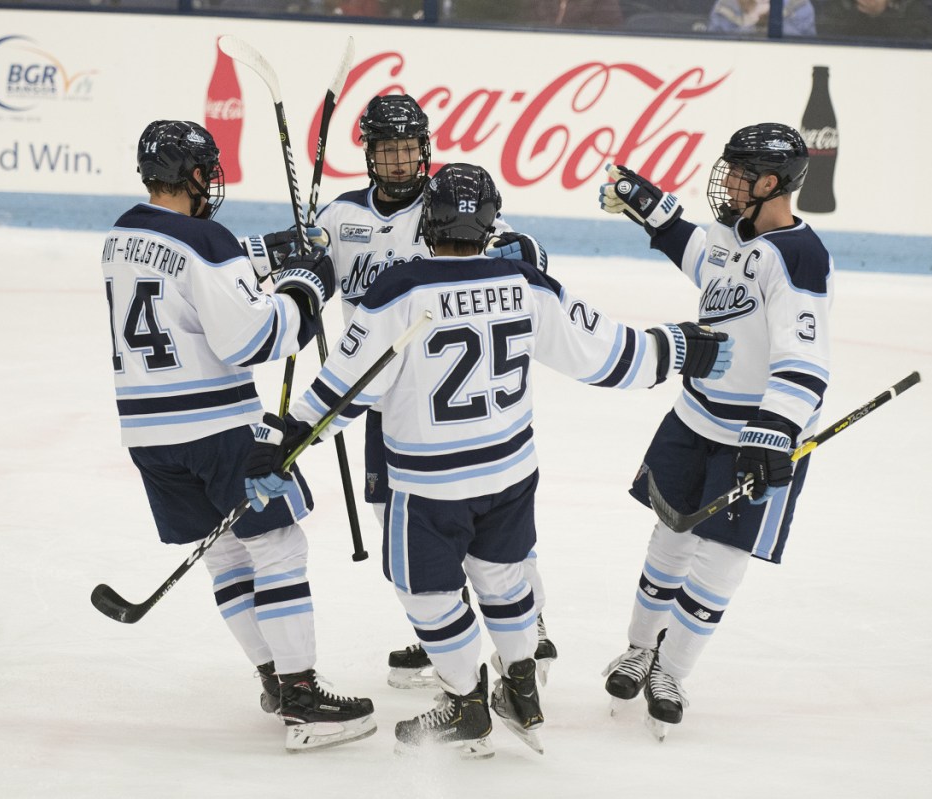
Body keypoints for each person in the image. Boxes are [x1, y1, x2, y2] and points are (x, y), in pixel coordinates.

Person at [241, 163, 733, 758]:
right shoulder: (525, 284)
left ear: (428, 222)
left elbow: (345, 389)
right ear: (491, 223)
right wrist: (679, 347)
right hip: (510, 475)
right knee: (503, 579)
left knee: (424, 591)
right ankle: (521, 687)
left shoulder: (400, 292)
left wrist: (288, 437)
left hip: (429, 486)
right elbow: (608, 356)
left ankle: (466, 702)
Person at [101, 119, 375, 752]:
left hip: (148, 434)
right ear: (194, 174)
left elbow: (186, 266)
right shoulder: (208, 239)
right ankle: (303, 694)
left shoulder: (119, 235)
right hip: (218, 428)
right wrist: (304, 290)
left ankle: (273, 679)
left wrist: (271, 250)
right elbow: (255, 338)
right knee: (278, 547)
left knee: (225, 556)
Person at [307, 93, 559, 688]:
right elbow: (311, 281)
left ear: (425, 148)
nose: (399, 160)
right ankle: (451, 626)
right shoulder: (338, 219)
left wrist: (525, 251)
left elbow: (530, 259)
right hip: (382, 397)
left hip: (462, 403)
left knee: (496, 532)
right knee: (394, 517)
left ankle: (533, 628)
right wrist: (301, 266)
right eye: (386, 148)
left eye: (408, 147)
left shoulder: (453, 203)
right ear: (368, 154)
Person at [598, 123, 833, 740]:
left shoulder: (800, 255)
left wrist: (774, 433)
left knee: (722, 558)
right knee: (670, 536)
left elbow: (806, 362)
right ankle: (638, 650)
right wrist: (652, 213)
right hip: (695, 418)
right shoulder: (735, 233)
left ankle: (671, 671)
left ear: (771, 182)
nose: (725, 182)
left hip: (756, 437)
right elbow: (701, 257)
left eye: (738, 172)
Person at [816, 0, 932, 40]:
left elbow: (922, 39)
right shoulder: (841, 3)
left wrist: (882, 15)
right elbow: (827, 35)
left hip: (900, 68)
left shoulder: (909, 4)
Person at [707, 0, 816, 36]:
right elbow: (715, 50)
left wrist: (774, 20)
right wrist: (751, 23)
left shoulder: (799, 5)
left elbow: (809, 49)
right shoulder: (726, 6)